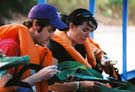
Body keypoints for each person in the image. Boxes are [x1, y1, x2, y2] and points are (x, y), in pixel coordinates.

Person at [47, 8, 120, 91]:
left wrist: (105, 65)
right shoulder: (54, 47)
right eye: (85, 30)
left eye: (90, 31)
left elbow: (95, 69)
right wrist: (79, 85)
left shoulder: (82, 45)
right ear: (71, 26)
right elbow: (50, 85)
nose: (87, 35)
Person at [0, 4, 67, 92]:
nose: (52, 37)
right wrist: (38, 76)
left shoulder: (36, 49)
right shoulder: (10, 46)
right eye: (50, 31)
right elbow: (3, 88)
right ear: (36, 24)